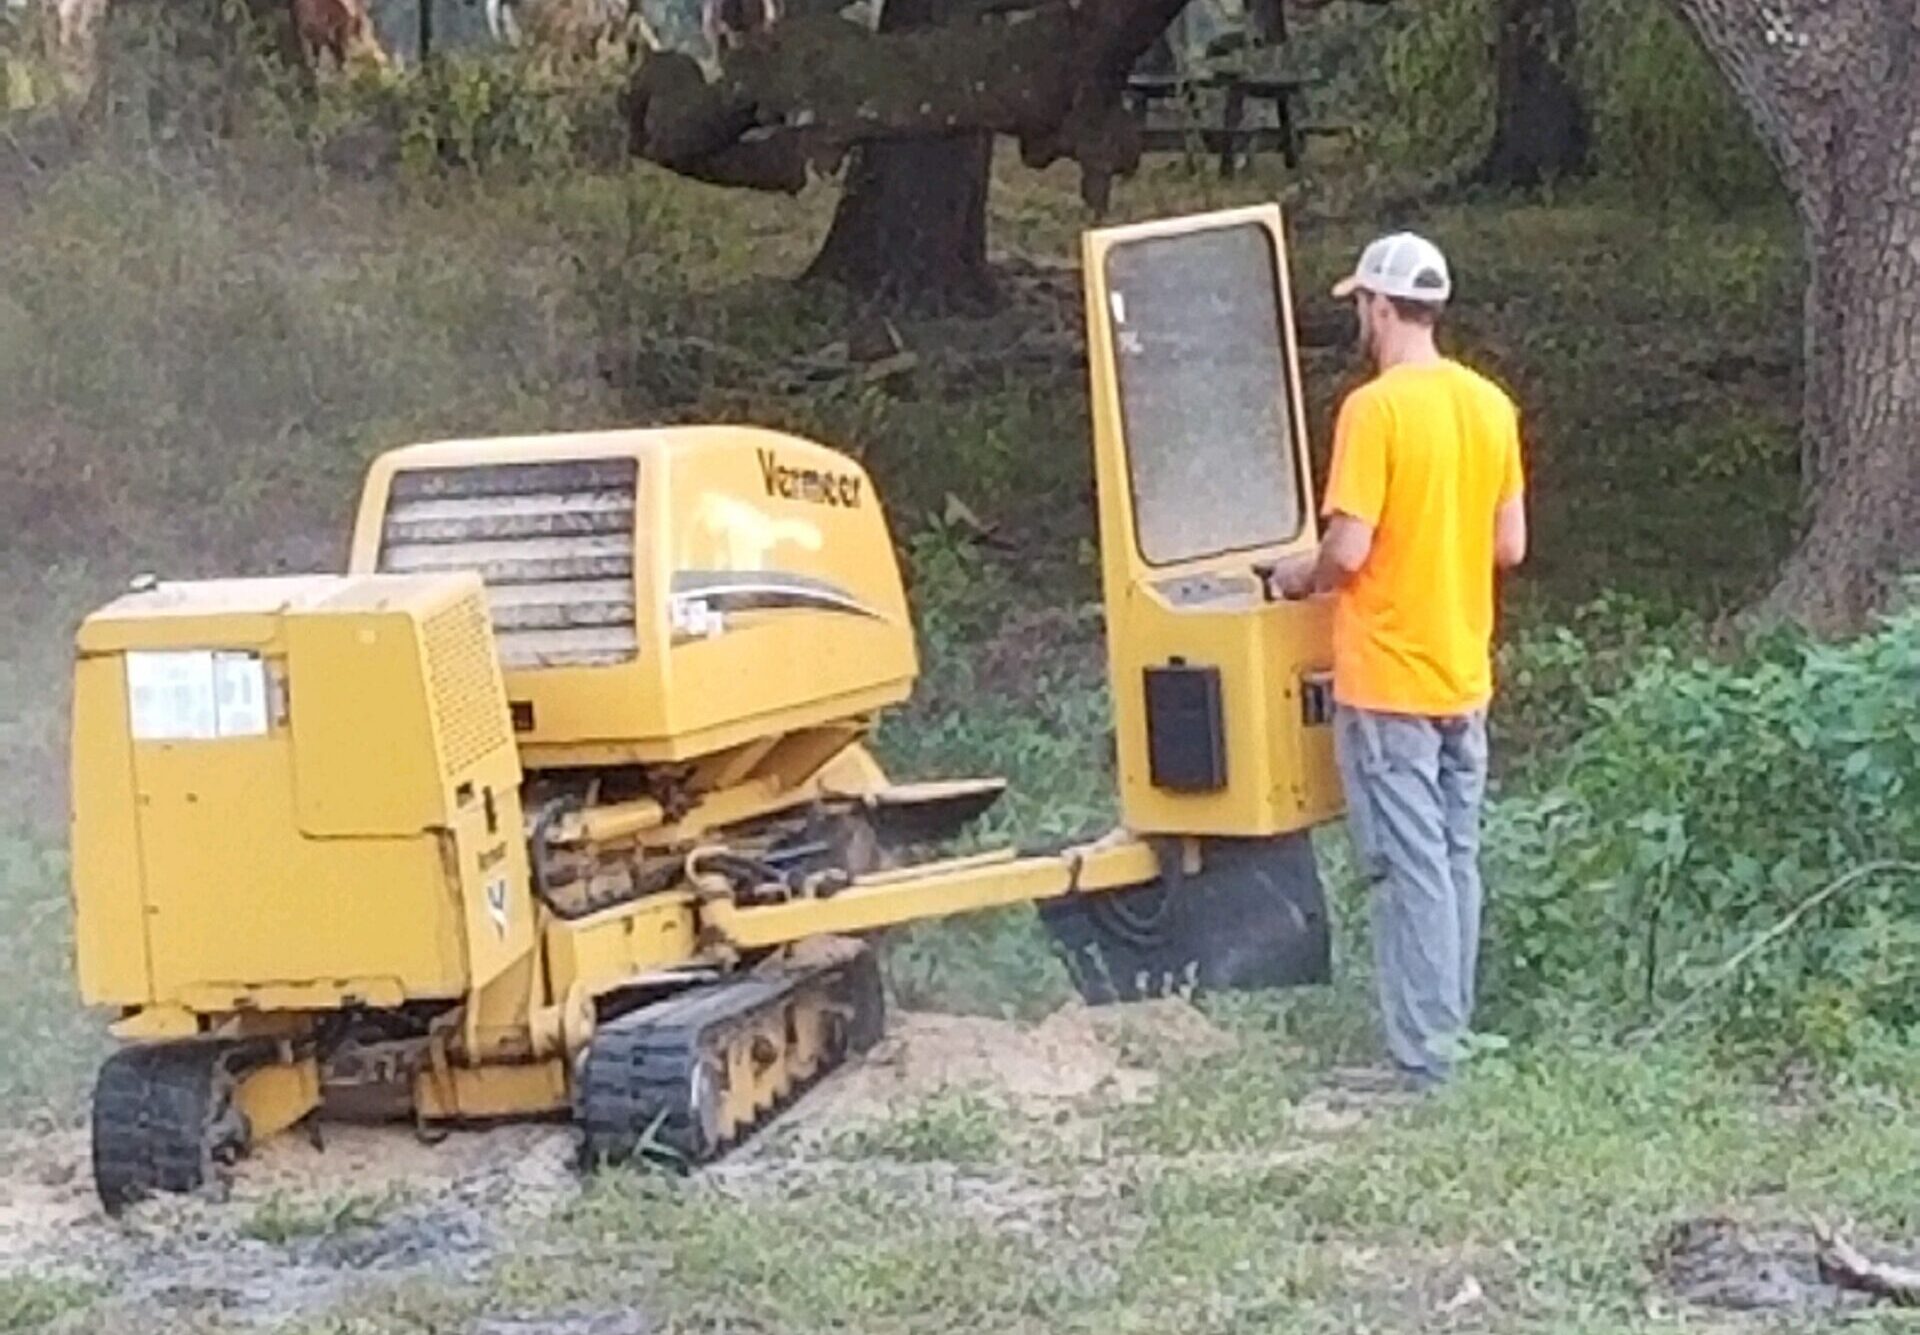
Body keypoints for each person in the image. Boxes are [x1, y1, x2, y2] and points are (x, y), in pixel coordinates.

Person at [1268, 231, 1528, 1089]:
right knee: (1456, 858)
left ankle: (1426, 1058)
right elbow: (1510, 544)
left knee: (1405, 866)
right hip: (1462, 671)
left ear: (1379, 306)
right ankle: (1452, 1039)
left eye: (1361, 307)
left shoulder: (1374, 411)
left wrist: (1292, 574)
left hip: (1386, 678)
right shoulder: (1490, 406)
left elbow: (1348, 548)